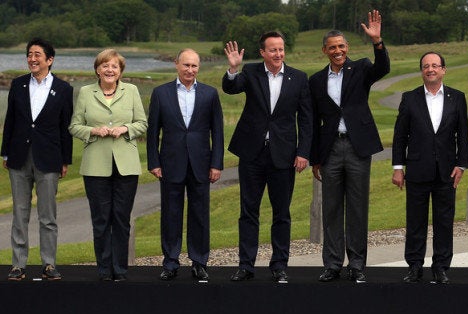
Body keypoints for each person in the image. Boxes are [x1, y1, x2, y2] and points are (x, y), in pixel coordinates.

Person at [222, 32, 312, 283]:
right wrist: (232, 69)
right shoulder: (250, 72)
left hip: (283, 155)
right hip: (252, 153)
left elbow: (306, 119)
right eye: (273, 50)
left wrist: (303, 152)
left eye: (281, 49)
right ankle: (246, 266)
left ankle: (279, 265)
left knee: (281, 212)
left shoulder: (299, 78)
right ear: (262, 52)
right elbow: (231, 88)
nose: (278, 54)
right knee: (248, 211)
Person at [310, 10, 390, 283]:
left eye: (341, 46)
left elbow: (384, 68)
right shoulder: (316, 81)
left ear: (348, 48)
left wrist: (378, 41)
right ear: (324, 51)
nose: (338, 51)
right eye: (332, 47)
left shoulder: (363, 68)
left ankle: (356, 264)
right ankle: (332, 264)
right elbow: (311, 121)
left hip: (358, 148)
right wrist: (314, 158)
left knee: (357, 207)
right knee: (331, 208)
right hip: (330, 149)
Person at [391, 52, 468, 284]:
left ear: (443, 70)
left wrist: (462, 164)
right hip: (417, 169)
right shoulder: (410, 98)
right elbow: (400, 136)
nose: (431, 69)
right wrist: (398, 167)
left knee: (444, 221)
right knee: (415, 221)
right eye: (426, 66)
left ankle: (441, 267)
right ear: (422, 71)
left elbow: (463, 135)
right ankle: (415, 266)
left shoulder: (457, 97)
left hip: (447, 171)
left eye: (435, 65)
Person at [69, 49, 147, 281]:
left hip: (126, 165)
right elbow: (74, 126)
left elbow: (142, 123)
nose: (109, 70)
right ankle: (104, 270)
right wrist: (93, 130)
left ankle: (120, 270)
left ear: (120, 70)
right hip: (95, 166)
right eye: (105, 66)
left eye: (114, 66)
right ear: (97, 70)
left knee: (121, 219)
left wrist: (126, 129)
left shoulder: (131, 91)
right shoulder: (85, 92)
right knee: (101, 220)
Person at [147, 49, 224, 281]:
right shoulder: (161, 93)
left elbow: (217, 133)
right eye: (186, 65)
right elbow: (153, 132)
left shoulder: (210, 94)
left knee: (200, 214)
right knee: (171, 214)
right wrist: (154, 161)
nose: (190, 70)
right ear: (176, 65)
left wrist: (216, 164)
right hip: (170, 162)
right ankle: (170, 262)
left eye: (194, 66)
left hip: (201, 163)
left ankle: (199, 261)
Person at [1, 38, 73, 281]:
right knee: (20, 213)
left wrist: (65, 160)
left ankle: (49, 264)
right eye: (29, 54)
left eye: (37, 55)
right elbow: (10, 120)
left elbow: (65, 128)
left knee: (47, 215)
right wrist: (6, 153)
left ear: (49, 60)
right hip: (19, 157)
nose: (32, 58)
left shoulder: (63, 89)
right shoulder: (18, 84)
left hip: (49, 159)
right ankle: (18, 265)